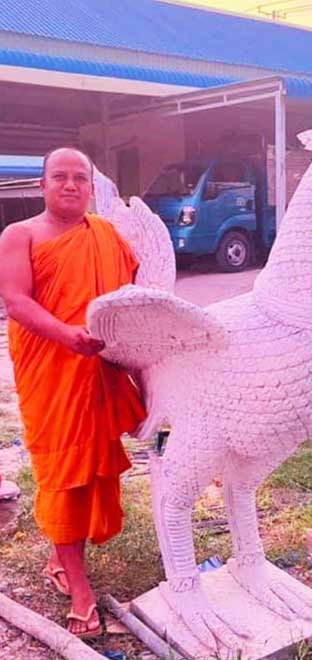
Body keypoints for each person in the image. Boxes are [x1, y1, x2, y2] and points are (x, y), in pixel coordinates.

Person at [0, 147, 146, 637]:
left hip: (98, 369)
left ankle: (59, 557)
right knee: (63, 474)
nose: (69, 185)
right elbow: (16, 301)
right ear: (41, 185)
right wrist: (68, 337)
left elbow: (130, 292)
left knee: (87, 471)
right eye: (59, 176)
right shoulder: (20, 234)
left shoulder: (105, 235)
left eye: (79, 178)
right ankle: (80, 589)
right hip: (53, 369)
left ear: (90, 187)